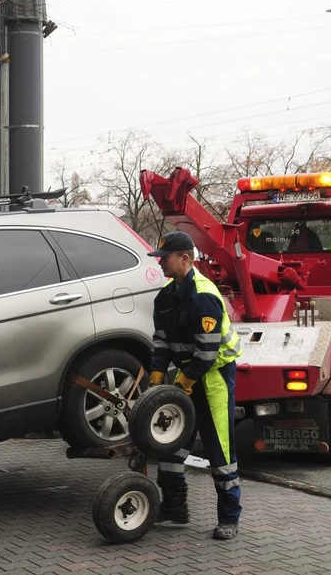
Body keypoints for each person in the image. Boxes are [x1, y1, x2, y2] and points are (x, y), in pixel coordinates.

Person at [147, 231, 244, 540]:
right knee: (170, 447)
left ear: (185, 258)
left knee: (221, 454)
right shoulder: (165, 295)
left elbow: (207, 352)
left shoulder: (203, 295)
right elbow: (161, 340)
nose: (161, 262)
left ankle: (229, 518)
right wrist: (156, 376)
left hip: (212, 379)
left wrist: (185, 382)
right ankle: (175, 511)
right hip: (184, 379)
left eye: (165, 257)